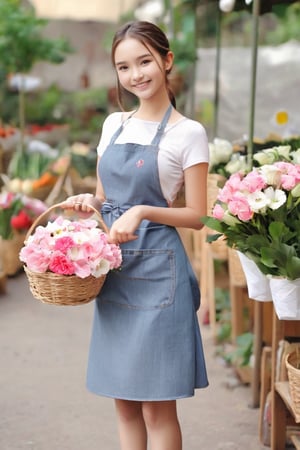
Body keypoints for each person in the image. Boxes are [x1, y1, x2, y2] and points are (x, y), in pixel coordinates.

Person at [62, 20, 209, 450]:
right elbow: (107, 197)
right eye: (124, 67)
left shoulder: (189, 133)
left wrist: (143, 211)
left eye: (145, 61)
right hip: (117, 269)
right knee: (124, 403)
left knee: (156, 406)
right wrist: (89, 201)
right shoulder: (114, 125)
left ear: (166, 61)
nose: (136, 74)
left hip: (161, 276)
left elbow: (198, 215)